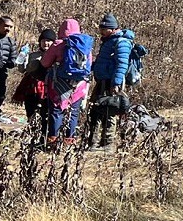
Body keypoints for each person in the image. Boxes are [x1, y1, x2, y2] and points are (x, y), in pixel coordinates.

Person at [44, 18, 93, 147]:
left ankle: (53, 142)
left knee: (56, 111)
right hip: (78, 85)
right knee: (73, 112)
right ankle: (68, 141)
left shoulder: (58, 44)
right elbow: (89, 65)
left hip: (58, 84)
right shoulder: (85, 45)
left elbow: (45, 63)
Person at [90, 13, 134, 148]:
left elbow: (122, 64)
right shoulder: (109, 41)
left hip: (112, 83)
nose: (101, 32)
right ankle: (94, 142)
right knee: (96, 110)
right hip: (102, 81)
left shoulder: (122, 42)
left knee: (110, 112)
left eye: (104, 29)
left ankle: (108, 144)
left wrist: (116, 84)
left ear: (112, 28)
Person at [12, 29, 55, 135]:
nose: (46, 43)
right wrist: (21, 56)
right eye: (44, 40)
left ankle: (43, 136)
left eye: (49, 41)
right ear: (40, 42)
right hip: (32, 89)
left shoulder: (56, 56)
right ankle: (32, 135)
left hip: (48, 90)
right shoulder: (33, 55)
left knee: (45, 115)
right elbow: (22, 69)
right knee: (31, 113)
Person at [0, 15, 15, 133]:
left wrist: (10, 63)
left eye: (10, 27)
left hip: (1, 76)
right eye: (6, 26)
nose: (8, 29)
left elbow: (13, 60)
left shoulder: (10, 41)